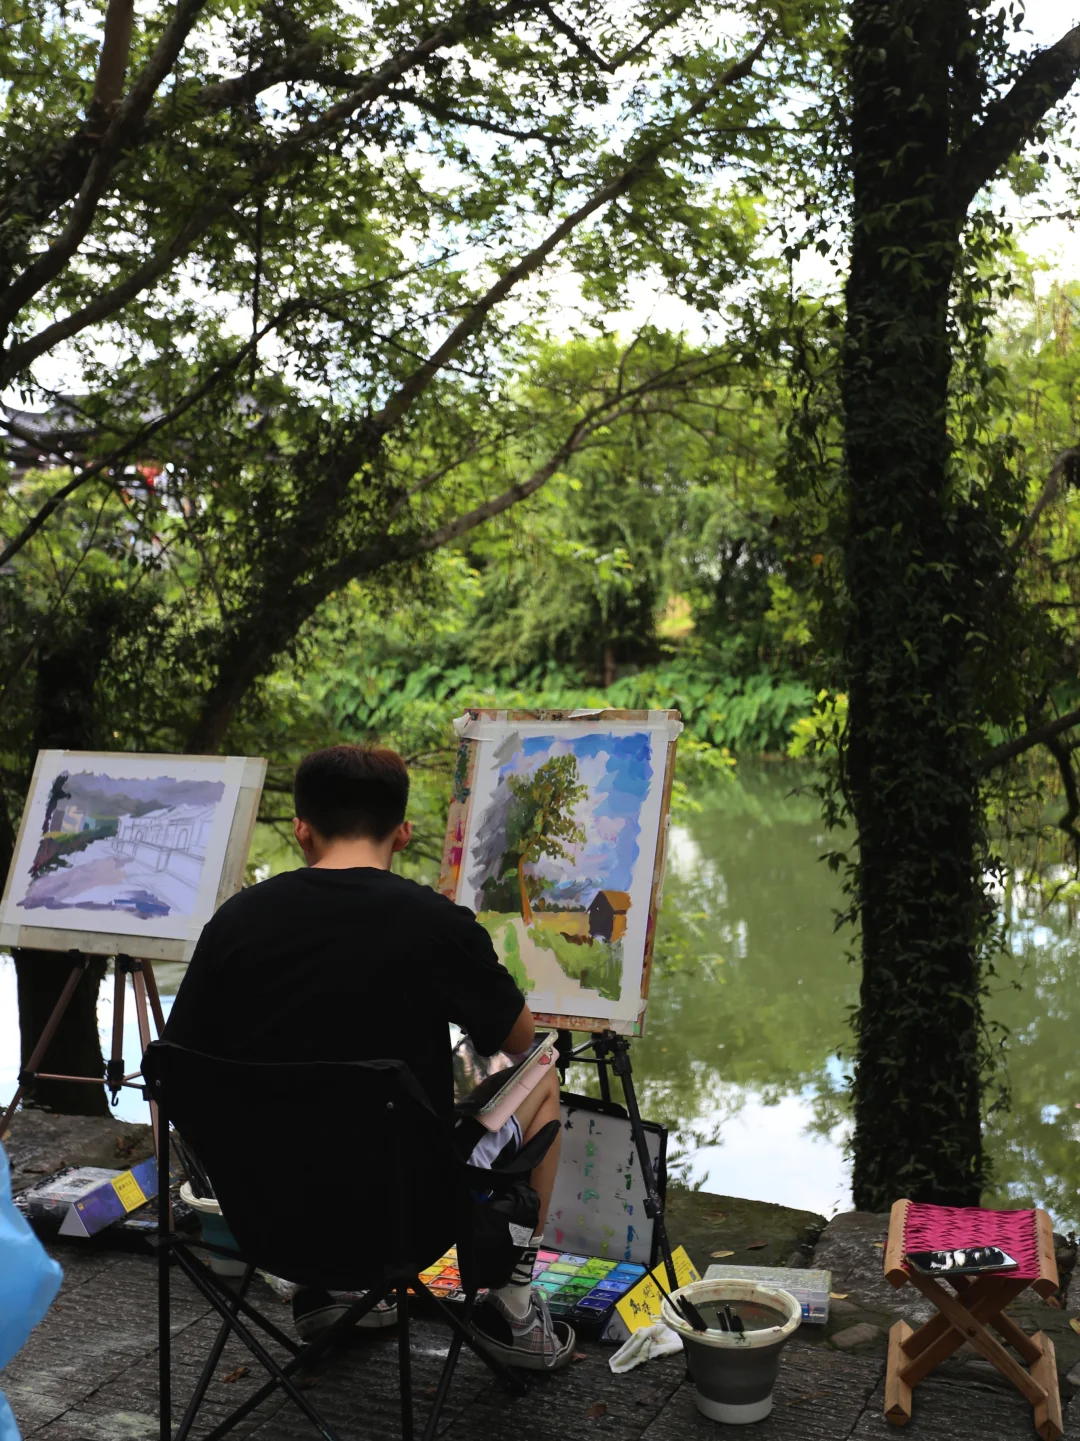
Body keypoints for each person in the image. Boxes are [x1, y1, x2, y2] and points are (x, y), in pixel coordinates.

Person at [162, 743, 573, 1371]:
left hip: (265, 1217)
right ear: (402, 833)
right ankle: (513, 1308)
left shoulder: (235, 922)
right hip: (406, 1222)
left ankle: (325, 1292)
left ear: (301, 830)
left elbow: (178, 1068)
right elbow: (520, 1040)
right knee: (542, 1071)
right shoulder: (434, 922)